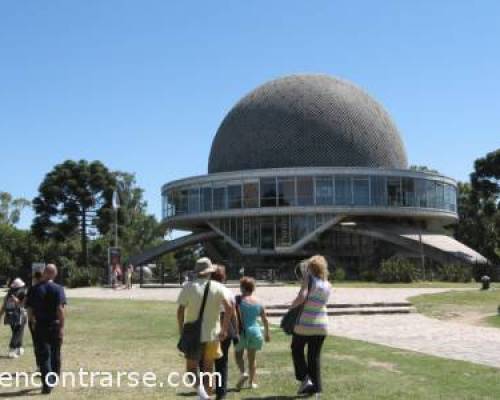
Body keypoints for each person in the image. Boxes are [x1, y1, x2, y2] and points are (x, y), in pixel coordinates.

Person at [177, 257, 233, 400]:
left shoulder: (189, 286)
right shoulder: (218, 287)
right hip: (213, 334)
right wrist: (225, 329)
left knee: (191, 370)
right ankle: (206, 396)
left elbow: (180, 311)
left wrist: (181, 330)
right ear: (209, 272)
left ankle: (203, 396)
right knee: (208, 370)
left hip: (193, 334)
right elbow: (229, 307)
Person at [290, 255, 331, 397]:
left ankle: (305, 378)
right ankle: (316, 389)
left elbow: (302, 296)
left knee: (296, 349)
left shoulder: (309, 279)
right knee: (314, 357)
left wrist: (291, 306)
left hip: (306, 323)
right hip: (322, 324)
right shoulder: (327, 284)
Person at [26, 264, 67, 394]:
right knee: (55, 353)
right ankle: (53, 379)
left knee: (44, 356)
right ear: (54, 274)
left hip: (40, 325)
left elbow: (30, 309)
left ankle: (46, 385)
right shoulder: (58, 289)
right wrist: (61, 326)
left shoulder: (34, 289)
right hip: (54, 324)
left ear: (44, 273)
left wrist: (32, 321)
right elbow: (60, 309)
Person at [234, 276, 270, 391]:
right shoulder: (259, 301)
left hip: (241, 332)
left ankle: (243, 373)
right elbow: (265, 320)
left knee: (238, 355)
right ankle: (252, 382)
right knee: (252, 359)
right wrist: (267, 333)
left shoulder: (238, 301)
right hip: (255, 332)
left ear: (243, 288)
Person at [210, 265, 238, 400]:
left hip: (212, 323)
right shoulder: (228, 291)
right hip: (227, 326)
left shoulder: (207, 291)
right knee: (222, 360)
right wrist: (236, 331)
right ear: (223, 277)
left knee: (207, 359)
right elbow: (233, 313)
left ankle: (207, 388)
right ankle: (221, 392)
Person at [0, 278, 28, 358]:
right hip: (19, 315)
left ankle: (19, 348)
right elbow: (23, 305)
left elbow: (4, 305)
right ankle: (12, 350)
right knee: (17, 332)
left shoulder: (9, 293)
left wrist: (1, 315)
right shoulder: (22, 293)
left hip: (10, 316)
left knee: (17, 332)